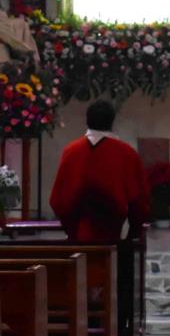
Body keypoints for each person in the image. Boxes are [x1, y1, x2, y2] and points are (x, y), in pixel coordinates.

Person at [49, 100, 149, 244]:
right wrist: (132, 235)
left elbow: (58, 200)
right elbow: (139, 202)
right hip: (114, 235)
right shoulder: (127, 153)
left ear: (87, 120)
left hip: (78, 236)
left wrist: (71, 230)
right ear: (112, 122)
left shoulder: (71, 151)